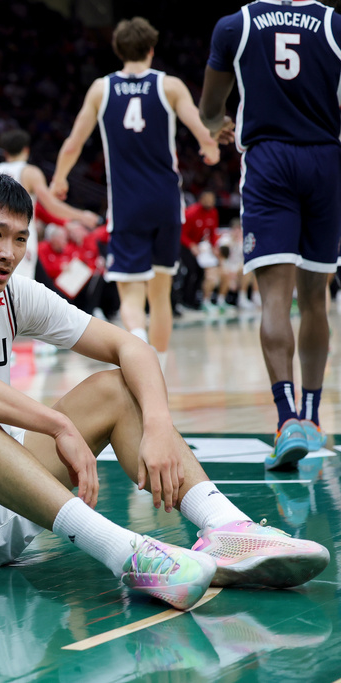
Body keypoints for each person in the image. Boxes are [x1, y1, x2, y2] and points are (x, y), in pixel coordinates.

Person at [0, 171, 328, 612]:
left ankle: (225, 528)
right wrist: (56, 423)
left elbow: (128, 346)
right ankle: (126, 553)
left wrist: (157, 426)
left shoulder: (12, 294)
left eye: (19, 238)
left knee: (117, 388)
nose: (8, 252)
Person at [198, 1, 341, 469]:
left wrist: (219, 124)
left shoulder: (234, 25)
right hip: (325, 161)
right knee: (316, 298)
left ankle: (286, 420)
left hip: (269, 162)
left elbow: (209, 108)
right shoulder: (334, 24)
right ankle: (315, 418)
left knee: (275, 301)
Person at [50, 17, 225, 369]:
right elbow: (202, 128)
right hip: (165, 202)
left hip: (127, 204)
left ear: (118, 50)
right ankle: (156, 365)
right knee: (160, 293)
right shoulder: (170, 85)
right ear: (151, 49)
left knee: (130, 292)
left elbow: (73, 143)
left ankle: (138, 342)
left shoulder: (101, 89)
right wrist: (211, 150)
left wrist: (60, 179)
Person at [0, 129, 101, 283]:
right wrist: (82, 216)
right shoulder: (29, 172)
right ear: (26, 150)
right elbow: (50, 205)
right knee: (19, 291)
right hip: (19, 238)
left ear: (5, 152)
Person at [179, 190, 222, 314]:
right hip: (185, 245)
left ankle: (195, 299)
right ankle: (185, 300)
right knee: (191, 271)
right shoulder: (191, 213)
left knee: (200, 272)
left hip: (199, 246)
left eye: (212, 200)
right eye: (207, 199)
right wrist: (191, 245)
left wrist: (214, 246)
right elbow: (181, 234)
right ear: (201, 199)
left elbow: (213, 232)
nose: (210, 202)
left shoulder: (213, 212)